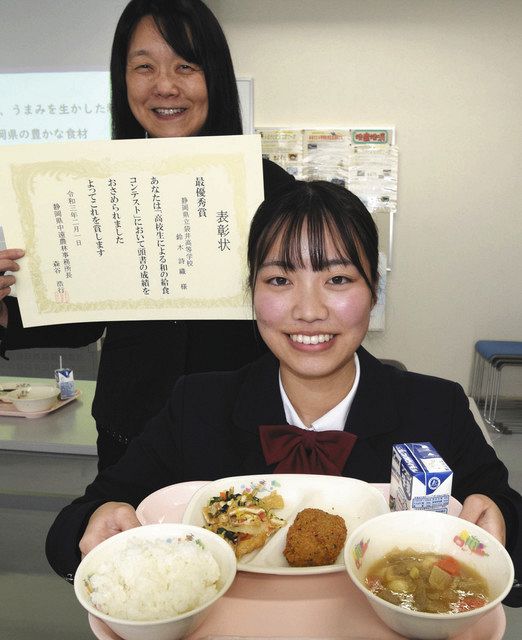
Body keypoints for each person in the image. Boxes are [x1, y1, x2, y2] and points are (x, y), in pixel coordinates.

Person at [45, 180, 522, 605]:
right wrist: (99, 521)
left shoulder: (436, 408)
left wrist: (499, 519)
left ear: (374, 290)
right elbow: (74, 524)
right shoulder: (198, 405)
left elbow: (508, 523)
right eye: (279, 280)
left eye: (338, 279)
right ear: (251, 291)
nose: (308, 310)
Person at [0, 0, 294, 470]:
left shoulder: (274, 190)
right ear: (123, 79)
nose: (165, 86)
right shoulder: (95, 186)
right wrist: (5, 310)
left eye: (186, 65)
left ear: (215, 76)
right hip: (132, 434)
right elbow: (83, 319)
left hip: (246, 434)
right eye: (144, 67)